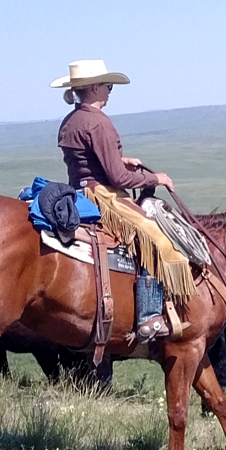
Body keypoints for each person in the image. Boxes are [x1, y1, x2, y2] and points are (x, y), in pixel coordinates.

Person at [53, 60, 194, 343]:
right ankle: (149, 316)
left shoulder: (73, 119)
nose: (110, 90)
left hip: (79, 190)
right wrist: (156, 179)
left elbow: (86, 162)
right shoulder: (98, 122)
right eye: (107, 85)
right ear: (94, 88)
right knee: (155, 239)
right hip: (101, 195)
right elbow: (118, 179)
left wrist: (120, 160)